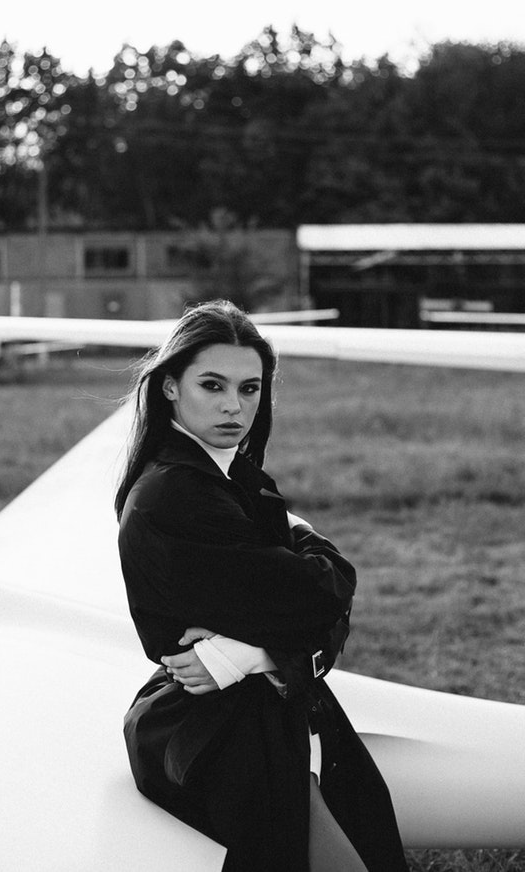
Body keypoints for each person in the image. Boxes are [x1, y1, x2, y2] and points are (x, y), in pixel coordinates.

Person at [116, 300, 408, 872]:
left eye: (250, 388)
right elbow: (326, 591)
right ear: (170, 387)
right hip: (211, 731)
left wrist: (247, 651)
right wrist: (308, 564)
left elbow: (320, 602)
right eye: (212, 384)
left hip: (258, 704)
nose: (234, 405)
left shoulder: (231, 473)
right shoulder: (177, 493)